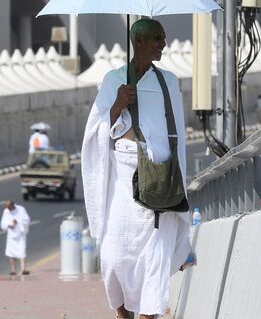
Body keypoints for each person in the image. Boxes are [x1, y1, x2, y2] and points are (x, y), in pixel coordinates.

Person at [81, 19, 193, 319]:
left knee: (154, 261)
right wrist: (118, 104)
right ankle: (123, 312)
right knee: (114, 257)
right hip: (123, 181)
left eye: (164, 38)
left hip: (160, 182)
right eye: (157, 38)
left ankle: (148, 314)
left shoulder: (168, 82)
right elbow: (96, 131)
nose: (163, 44)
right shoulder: (113, 80)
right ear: (138, 41)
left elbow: (178, 135)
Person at [0, 200, 31, 276]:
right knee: (11, 252)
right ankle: (13, 270)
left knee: (22, 251)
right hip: (11, 234)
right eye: (7, 208)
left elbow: (27, 220)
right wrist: (9, 225)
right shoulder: (6, 211)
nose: (9, 209)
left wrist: (18, 222)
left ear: (13, 205)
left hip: (20, 233)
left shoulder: (21, 209)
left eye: (10, 207)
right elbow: (3, 223)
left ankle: (23, 269)